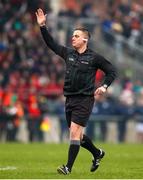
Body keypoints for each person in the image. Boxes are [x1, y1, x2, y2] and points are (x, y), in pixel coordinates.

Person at [35, 8, 117, 175]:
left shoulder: (94, 57)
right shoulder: (68, 53)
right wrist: (43, 26)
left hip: (85, 99)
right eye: (73, 35)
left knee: (74, 131)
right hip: (69, 99)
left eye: (76, 36)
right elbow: (51, 44)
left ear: (85, 40)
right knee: (77, 136)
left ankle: (68, 168)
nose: (73, 38)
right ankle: (97, 153)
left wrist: (104, 86)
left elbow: (112, 71)